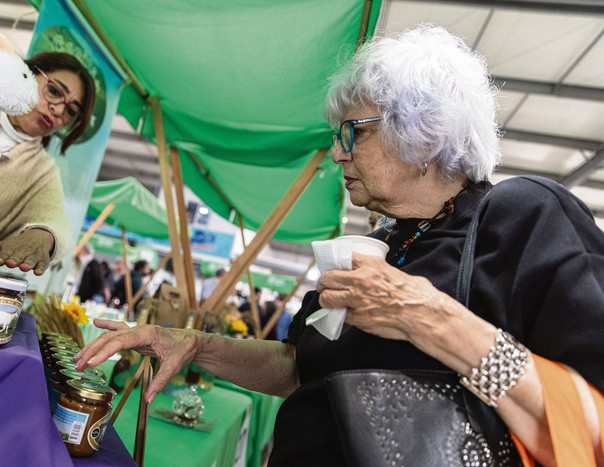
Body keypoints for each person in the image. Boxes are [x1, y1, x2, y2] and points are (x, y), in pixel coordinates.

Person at [74, 25, 604, 466]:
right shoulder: (383, 243)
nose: (335, 153)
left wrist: (427, 317)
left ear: (425, 131)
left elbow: (592, 421)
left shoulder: (522, 218)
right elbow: (298, 368)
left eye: (352, 131)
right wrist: (193, 345)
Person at [0, 51, 96, 276]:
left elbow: (55, 222)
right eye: (54, 91)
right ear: (28, 74)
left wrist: (44, 236)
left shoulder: (43, 173)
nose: (58, 110)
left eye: (70, 111)